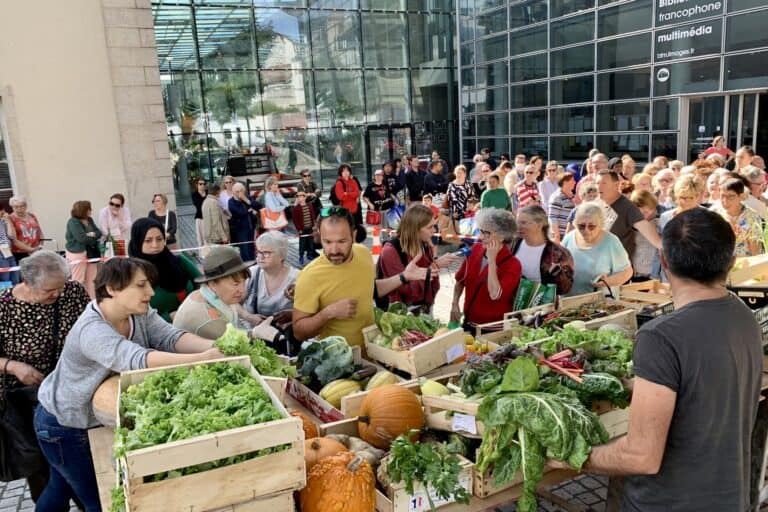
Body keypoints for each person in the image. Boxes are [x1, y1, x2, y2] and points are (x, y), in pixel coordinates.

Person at [556, 208, 761, 512]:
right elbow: (700, 386)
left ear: (663, 263)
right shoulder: (745, 317)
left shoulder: (660, 336)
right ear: (731, 264)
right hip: (730, 499)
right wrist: (626, 384)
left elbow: (641, 456)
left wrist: (568, 456)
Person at [33, 258, 225, 510]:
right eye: (141, 285)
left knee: (61, 485)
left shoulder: (139, 313)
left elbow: (170, 337)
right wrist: (202, 359)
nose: (151, 293)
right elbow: (135, 359)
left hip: (90, 417)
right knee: (99, 499)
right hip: (63, 424)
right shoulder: (92, 329)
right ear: (112, 288)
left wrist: (216, 347)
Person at [0, 251, 90, 502]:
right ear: (28, 283)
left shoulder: (73, 292)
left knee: (81, 461)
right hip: (26, 401)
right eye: (50, 290)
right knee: (42, 469)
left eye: (61, 286)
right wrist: (14, 366)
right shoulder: (5, 307)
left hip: (71, 392)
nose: (58, 294)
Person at [292, 206, 426, 348]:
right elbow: (299, 332)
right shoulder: (309, 276)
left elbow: (371, 289)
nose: (334, 250)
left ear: (353, 235)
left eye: (341, 241)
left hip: (375, 351)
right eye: (328, 242)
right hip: (341, 362)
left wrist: (403, 276)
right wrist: (328, 313)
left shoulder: (363, 253)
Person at [377, 204, 459, 312]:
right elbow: (407, 291)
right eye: (429, 227)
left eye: (434, 226)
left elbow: (429, 280)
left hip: (423, 307)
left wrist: (435, 264)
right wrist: (434, 266)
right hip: (400, 314)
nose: (434, 231)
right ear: (415, 229)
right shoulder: (391, 251)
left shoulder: (424, 243)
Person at [450, 208, 522, 330]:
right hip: (468, 323)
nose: (480, 237)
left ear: (501, 236)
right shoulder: (475, 249)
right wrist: (454, 303)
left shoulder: (513, 264)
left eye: (486, 233)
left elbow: (495, 294)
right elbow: (460, 280)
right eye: (480, 231)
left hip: (493, 330)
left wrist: (492, 261)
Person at [173, 245, 266, 340]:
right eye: (235, 284)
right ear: (213, 283)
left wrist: (248, 317)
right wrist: (255, 334)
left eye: (243, 282)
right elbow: (235, 345)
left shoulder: (206, 293)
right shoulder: (210, 320)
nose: (242, 290)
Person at [128, 218, 200, 322]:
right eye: (148, 240)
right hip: (162, 334)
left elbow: (204, 283)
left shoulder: (178, 261)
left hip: (195, 323)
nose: (155, 245)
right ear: (138, 241)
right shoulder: (130, 274)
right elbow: (134, 319)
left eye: (159, 239)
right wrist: (168, 317)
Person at [243, 233, 299, 354]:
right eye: (258, 252)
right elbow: (232, 302)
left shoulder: (297, 278)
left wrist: (293, 315)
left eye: (266, 253)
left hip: (288, 343)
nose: (260, 257)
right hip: (258, 343)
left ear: (281, 256)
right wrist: (249, 317)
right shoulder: (252, 274)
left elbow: (313, 309)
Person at [561, 202, 633, 296]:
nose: (586, 230)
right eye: (581, 226)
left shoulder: (611, 242)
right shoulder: (569, 238)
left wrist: (608, 282)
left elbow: (627, 272)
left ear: (600, 225)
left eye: (591, 226)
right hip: (568, 301)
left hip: (599, 304)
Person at [596, 170, 661, 260]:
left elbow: (654, 238)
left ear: (616, 185)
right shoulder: (596, 204)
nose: (599, 187)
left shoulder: (628, 207)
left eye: (604, 183)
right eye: (597, 183)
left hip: (619, 267)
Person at [513, 205, 574, 295]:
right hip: (514, 303)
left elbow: (565, 288)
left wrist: (557, 274)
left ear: (539, 225)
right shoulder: (512, 244)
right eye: (517, 222)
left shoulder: (558, 253)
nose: (518, 226)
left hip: (542, 304)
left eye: (523, 223)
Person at [710, 178, 764, 257]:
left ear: (741, 196)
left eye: (730, 197)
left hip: (746, 264)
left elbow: (755, 250)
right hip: (722, 263)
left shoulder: (752, 217)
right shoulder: (715, 214)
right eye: (722, 196)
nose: (725, 201)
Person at [65, 201, 102, 298]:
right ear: (83, 210)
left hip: (91, 253)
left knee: (91, 280)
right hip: (77, 253)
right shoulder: (73, 222)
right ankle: (77, 302)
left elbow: (99, 232)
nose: (91, 211)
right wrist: (92, 235)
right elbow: (81, 238)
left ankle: (92, 301)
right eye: (89, 209)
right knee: (78, 280)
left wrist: (91, 234)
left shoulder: (89, 219)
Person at [630, 190, 660, 282]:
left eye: (648, 211)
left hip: (654, 275)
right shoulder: (630, 225)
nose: (646, 214)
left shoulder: (659, 224)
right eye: (641, 212)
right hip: (635, 274)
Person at [229, 182, 260, 260]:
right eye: (237, 191)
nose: (240, 193)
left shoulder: (247, 198)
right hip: (241, 229)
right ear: (233, 192)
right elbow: (239, 212)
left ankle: (253, 262)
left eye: (241, 190)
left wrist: (247, 201)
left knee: (251, 247)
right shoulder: (231, 201)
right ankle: (247, 265)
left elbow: (258, 206)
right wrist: (249, 210)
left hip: (251, 227)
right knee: (244, 249)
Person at [9, 196, 43, 263]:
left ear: (26, 206)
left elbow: (39, 231)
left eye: (22, 206)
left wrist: (40, 246)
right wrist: (30, 250)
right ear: (12, 207)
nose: (19, 209)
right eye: (16, 207)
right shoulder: (10, 219)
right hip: (20, 253)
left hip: (36, 250)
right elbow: (13, 239)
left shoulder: (32, 216)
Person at [548, 172, 576, 243]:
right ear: (565, 182)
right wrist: (557, 236)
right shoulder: (557, 197)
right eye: (572, 180)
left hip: (569, 235)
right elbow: (552, 218)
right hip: (560, 236)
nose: (575, 182)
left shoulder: (572, 196)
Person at [292, 191, 318, 266]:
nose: (299, 198)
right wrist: (299, 229)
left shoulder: (309, 205)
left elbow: (312, 215)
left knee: (310, 242)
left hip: (310, 227)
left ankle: (309, 254)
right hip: (302, 229)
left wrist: (314, 224)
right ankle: (301, 256)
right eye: (298, 196)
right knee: (302, 243)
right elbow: (295, 220)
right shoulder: (296, 209)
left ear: (304, 197)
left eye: (301, 196)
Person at [0, 210, 17, 284]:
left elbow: (12, 236)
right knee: (5, 278)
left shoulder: (2, 221)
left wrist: (8, 221)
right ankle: (6, 295)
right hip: (1, 253)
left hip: (7, 251)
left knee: (15, 276)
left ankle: (14, 294)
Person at [191, 179, 207, 248]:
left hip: (208, 217)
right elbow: (198, 204)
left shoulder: (208, 192)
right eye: (200, 184)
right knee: (200, 238)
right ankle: (202, 255)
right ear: (197, 185)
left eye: (204, 184)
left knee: (207, 237)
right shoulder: (194, 194)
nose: (202, 185)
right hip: (200, 217)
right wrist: (204, 197)